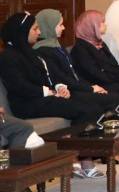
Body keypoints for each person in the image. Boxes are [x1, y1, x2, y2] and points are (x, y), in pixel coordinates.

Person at [0, 13, 112, 178]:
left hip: (44, 99)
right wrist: (49, 92)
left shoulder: (31, 53)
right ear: (22, 32)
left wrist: (59, 87)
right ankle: (78, 160)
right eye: (35, 29)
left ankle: (78, 157)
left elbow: (48, 78)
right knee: (84, 110)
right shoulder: (8, 57)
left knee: (92, 107)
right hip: (27, 104)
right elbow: (20, 87)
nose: (39, 32)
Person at [32, 9, 119, 115]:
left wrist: (92, 87)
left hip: (79, 88)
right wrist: (90, 88)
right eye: (60, 25)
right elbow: (62, 78)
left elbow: (75, 74)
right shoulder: (43, 51)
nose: (64, 28)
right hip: (70, 91)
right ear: (49, 26)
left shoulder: (57, 46)